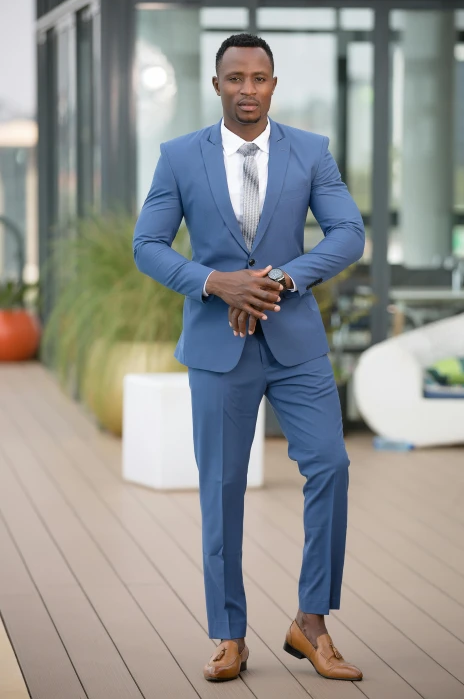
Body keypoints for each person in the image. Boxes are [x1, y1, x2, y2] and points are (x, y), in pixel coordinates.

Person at [133, 33, 365, 683]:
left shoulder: (310, 152)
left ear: (273, 83)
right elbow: (147, 244)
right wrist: (215, 282)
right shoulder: (179, 157)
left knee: (332, 465)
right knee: (223, 489)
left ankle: (311, 620)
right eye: (234, 77)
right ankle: (228, 634)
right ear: (217, 86)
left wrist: (277, 280)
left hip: (295, 344)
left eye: (259, 77)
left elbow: (349, 232)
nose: (247, 88)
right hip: (216, 346)